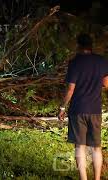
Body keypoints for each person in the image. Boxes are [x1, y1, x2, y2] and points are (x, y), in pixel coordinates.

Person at [58, 33, 108, 180]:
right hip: (95, 110)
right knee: (96, 147)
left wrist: (62, 107)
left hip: (78, 110)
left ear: (78, 46)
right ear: (91, 46)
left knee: (80, 146)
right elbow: (106, 84)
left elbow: (70, 89)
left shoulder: (75, 62)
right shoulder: (101, 61)